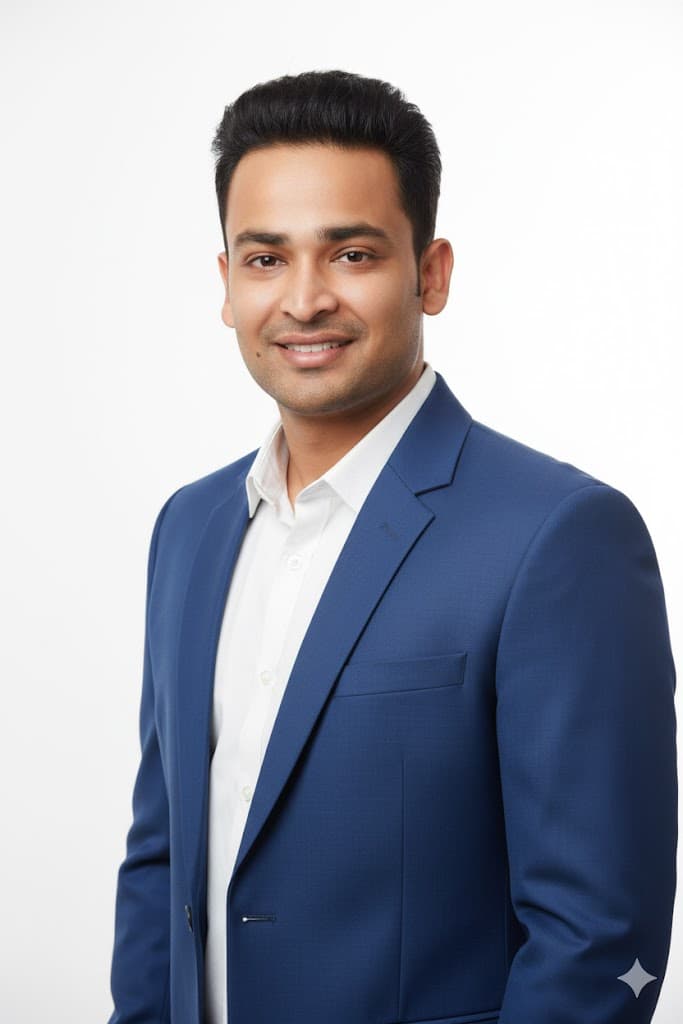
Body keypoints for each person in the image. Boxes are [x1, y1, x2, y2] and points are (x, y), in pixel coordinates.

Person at [107, 69, 677, 1024]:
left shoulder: (557, 537)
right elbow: (161, 861)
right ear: (225, 284)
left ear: (432, 272)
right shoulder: (189, 528)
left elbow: (597, 936)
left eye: (352, 253)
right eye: (264, 259)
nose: (304, 299)